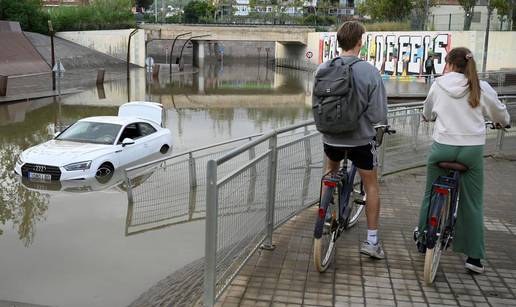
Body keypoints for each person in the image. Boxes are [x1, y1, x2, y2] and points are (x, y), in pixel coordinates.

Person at [415, 47, 510, 273]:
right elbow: (501, 116)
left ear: (448, 63)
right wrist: (503, 123)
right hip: (471, 151)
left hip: (442, 148)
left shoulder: (438, 84)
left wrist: (428, 117)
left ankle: (422, 236)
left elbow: (427, 112)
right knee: (472, 202)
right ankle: (474, 258)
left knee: (430, 192)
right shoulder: (481, 87)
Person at [318, 21, 388, 259]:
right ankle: (371, 241)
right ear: (360, 42)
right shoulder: (369, 72)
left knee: (330, 171)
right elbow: (379, 114)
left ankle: (327, 213)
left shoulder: (323, 69)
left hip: (331, 138)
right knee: (370, 185)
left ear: (339, 42)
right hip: (360, 140)